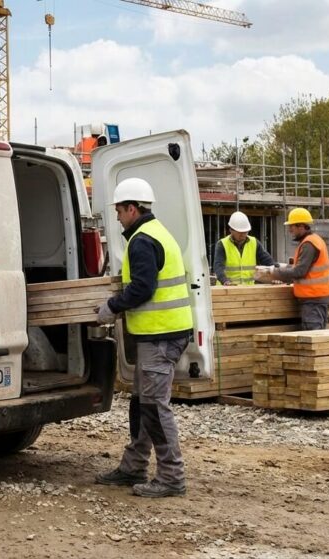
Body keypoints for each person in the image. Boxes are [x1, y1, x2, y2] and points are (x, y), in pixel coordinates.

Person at [94, 177, 193, 498]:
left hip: (160, 336)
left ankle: (171, 477)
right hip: (160, 334)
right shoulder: (156, 233)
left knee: (153, 407)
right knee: (141, 402)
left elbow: (143, 288)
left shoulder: (141, 241)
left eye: (120, 210)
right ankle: (134, 465)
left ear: (132, 208)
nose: (118, 216)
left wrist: (112, 306)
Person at [264, 208, 329, 330]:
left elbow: (299, 271)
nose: (290, 230)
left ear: (301, 226)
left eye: (292, 227)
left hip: (314, 299)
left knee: (313, 336)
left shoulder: (309, 244)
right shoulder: (313, 240)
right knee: (316, 335)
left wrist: (275, 273)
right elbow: (302, 267)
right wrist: (285, 267)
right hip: (316, 297)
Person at [213, 211, 275, 285]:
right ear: (231, 230)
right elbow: (218, 266)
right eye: (239, 232)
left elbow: (268, 261)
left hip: (248, 289)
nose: (243, 235)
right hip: (227, 289)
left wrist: (276, 275)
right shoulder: (222, 244)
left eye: (245, 232)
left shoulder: (254, 242)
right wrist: (225, 281)